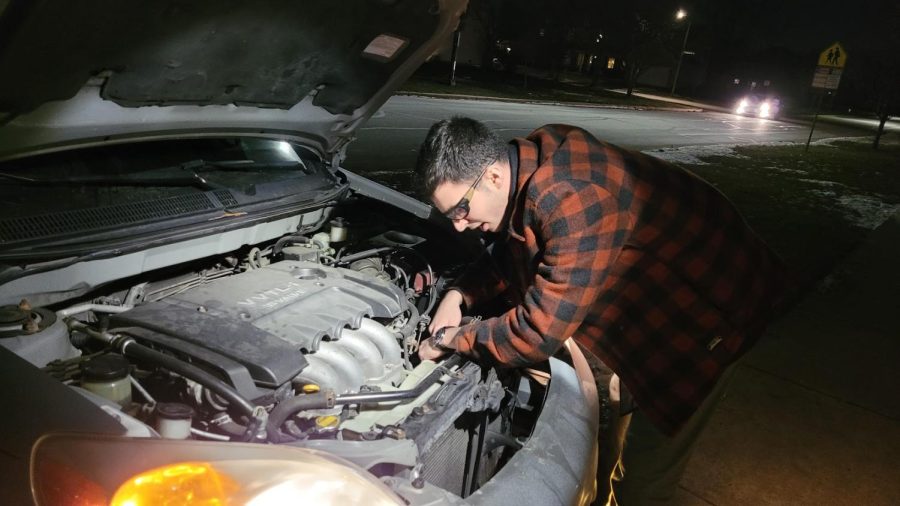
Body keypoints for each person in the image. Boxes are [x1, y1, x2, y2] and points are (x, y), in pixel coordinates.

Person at [415, 117, 788, 505]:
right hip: (647, 293)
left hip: (710, 308)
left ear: (492, 175)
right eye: (449, 215)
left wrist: (454, 340)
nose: (458, 227)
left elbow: (535, 334)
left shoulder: (572, 197)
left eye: (461, 208)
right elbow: (511, 253)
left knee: (644, 472)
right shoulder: (521, 171)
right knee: (609, 431)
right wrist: (457, 296)